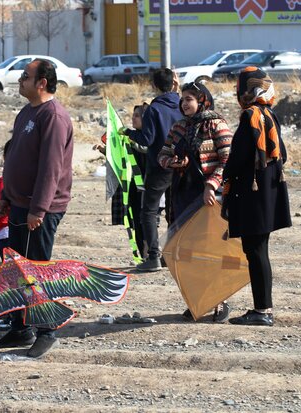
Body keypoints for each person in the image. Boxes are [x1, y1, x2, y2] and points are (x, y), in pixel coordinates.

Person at [0, 58, 74, 358]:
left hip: (39, 211)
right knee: (16, 270)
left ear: (42, 82)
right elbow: (16, 155)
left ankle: (46, 330)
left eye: (25, 77)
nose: (20, 81)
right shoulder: (27, 112)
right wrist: (7, 196)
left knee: (35, 272)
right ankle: (21, 325)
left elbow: (51, 169)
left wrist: (38, 209)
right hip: (19, 205)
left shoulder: (53, 116)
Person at [222, 67, 291, 327]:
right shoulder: (270, 114)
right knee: (260, 250)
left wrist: (224, 181)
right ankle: (263, 308)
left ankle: (263, 310)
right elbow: (280, 153)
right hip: (268, 194)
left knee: (256, 252)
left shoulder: (250, 116)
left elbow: (238, 158)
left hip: (252, 195)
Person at [158, 81, 233, 322]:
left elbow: (227, 160)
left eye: (189, 98)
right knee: (186, 251)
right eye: (182, 98)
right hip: (181, 195)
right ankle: (197, 300)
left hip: (209, 197)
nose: (184, 103)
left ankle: (219, 301)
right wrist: (172, 163)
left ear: (202, 100)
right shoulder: (179, 127)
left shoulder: (216, 124)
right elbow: (163, 154)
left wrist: (212, 184)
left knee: (210, 250)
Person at [130, 68, 182, 272]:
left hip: (159, 166)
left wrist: (130, 133)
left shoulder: (154, 109)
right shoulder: (181, 104)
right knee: (173, 212)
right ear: (173, 84)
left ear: (154, 85)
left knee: (149, 212)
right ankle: (172, 255)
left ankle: (153, 256)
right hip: (179, 166)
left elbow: (147, 139)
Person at [96, 103, 148, 259]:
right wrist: (105, 150)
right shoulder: (130, 134)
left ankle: (150, 254)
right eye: (133, 115)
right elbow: (120, 154)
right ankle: (144, 256)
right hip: (131, 186)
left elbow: (144, 149)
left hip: (146, 188)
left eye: (137, 115)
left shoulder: (148, 137)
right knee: (135, 223)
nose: (133, 118)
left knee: (146, 222)